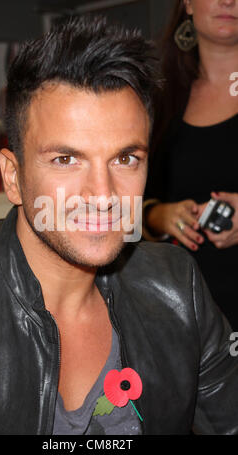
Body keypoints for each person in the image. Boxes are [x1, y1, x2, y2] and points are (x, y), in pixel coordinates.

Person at [0, 15, 237, 436]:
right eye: (66, 160)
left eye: (125, 159)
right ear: (12, 177)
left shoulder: (176, 286)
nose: (103, 194)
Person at [144, 0, 238, 330]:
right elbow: (122, 205)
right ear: (186, 3)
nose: (229, 1)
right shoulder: (156, 97)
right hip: (183, 316)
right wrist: (160, 216)